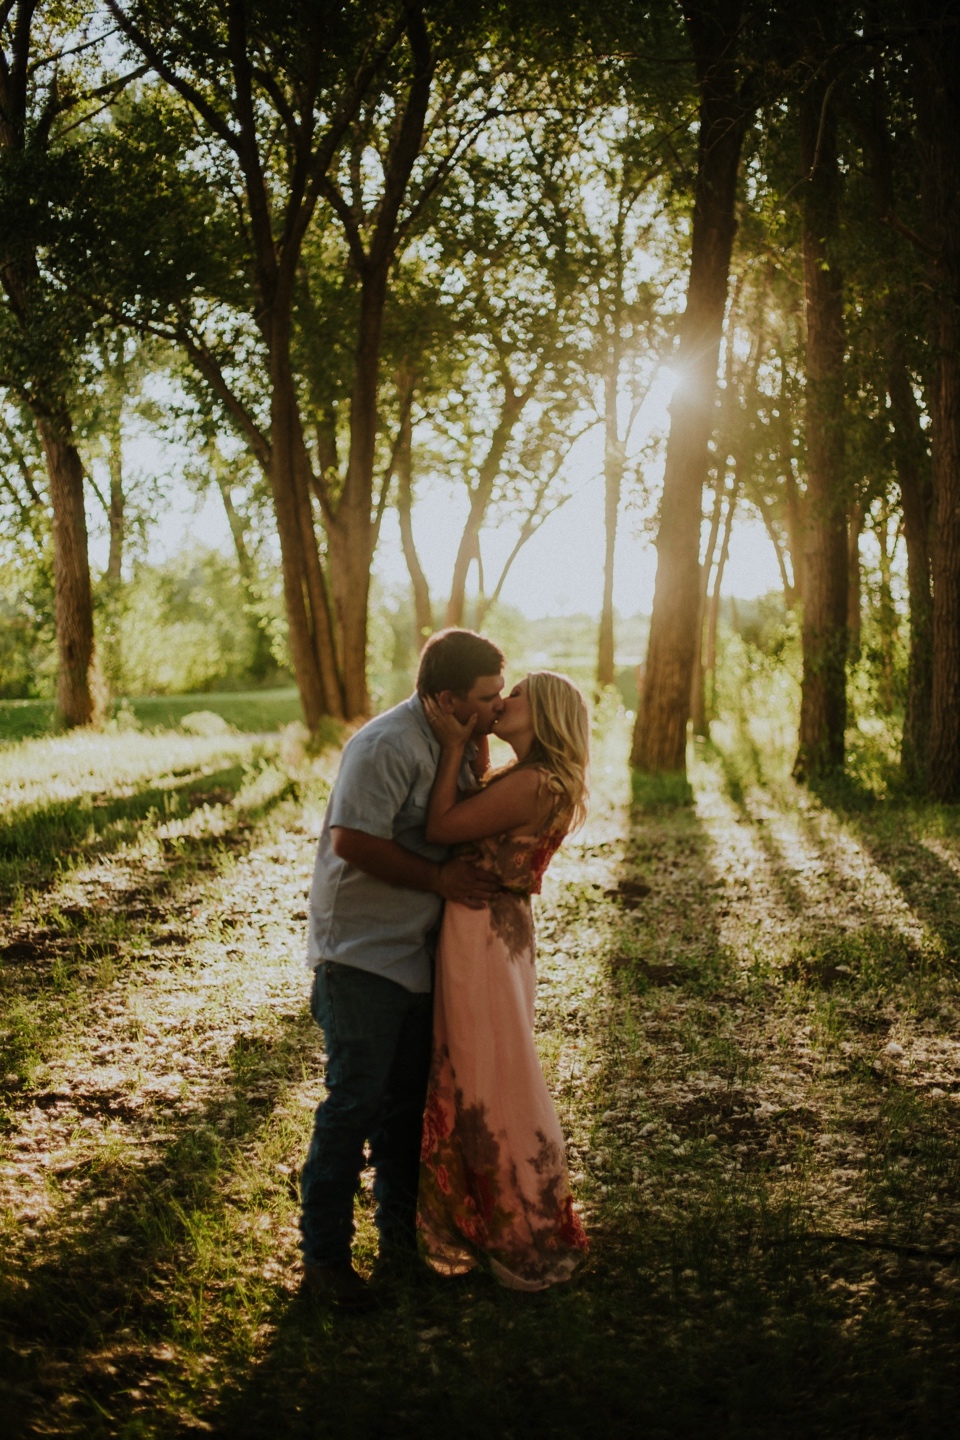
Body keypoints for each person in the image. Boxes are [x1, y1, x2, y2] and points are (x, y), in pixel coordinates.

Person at [299, 628, 507, 1308]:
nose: (496, 707)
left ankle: (399, 1248)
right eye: (486, 698)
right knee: (353, 1107)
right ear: (447, 698)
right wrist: (439, 880)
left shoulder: (452, 742)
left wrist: (472, 743)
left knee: (406, 1114)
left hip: (415, 957)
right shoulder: (385, 745)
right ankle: (325, 1261)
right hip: (359, 956)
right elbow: (352, 841)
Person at [417, 670, 590, 1291]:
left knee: (491, 1071)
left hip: (483, 933)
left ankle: (519, 1227)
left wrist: (454, 747)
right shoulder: (532, 777)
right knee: (486, 1065)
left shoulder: (534, 784)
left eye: (516, 694)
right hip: (494, 927)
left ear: (542, 713)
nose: (502, 701)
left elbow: (440, 828)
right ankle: (493, 1215)